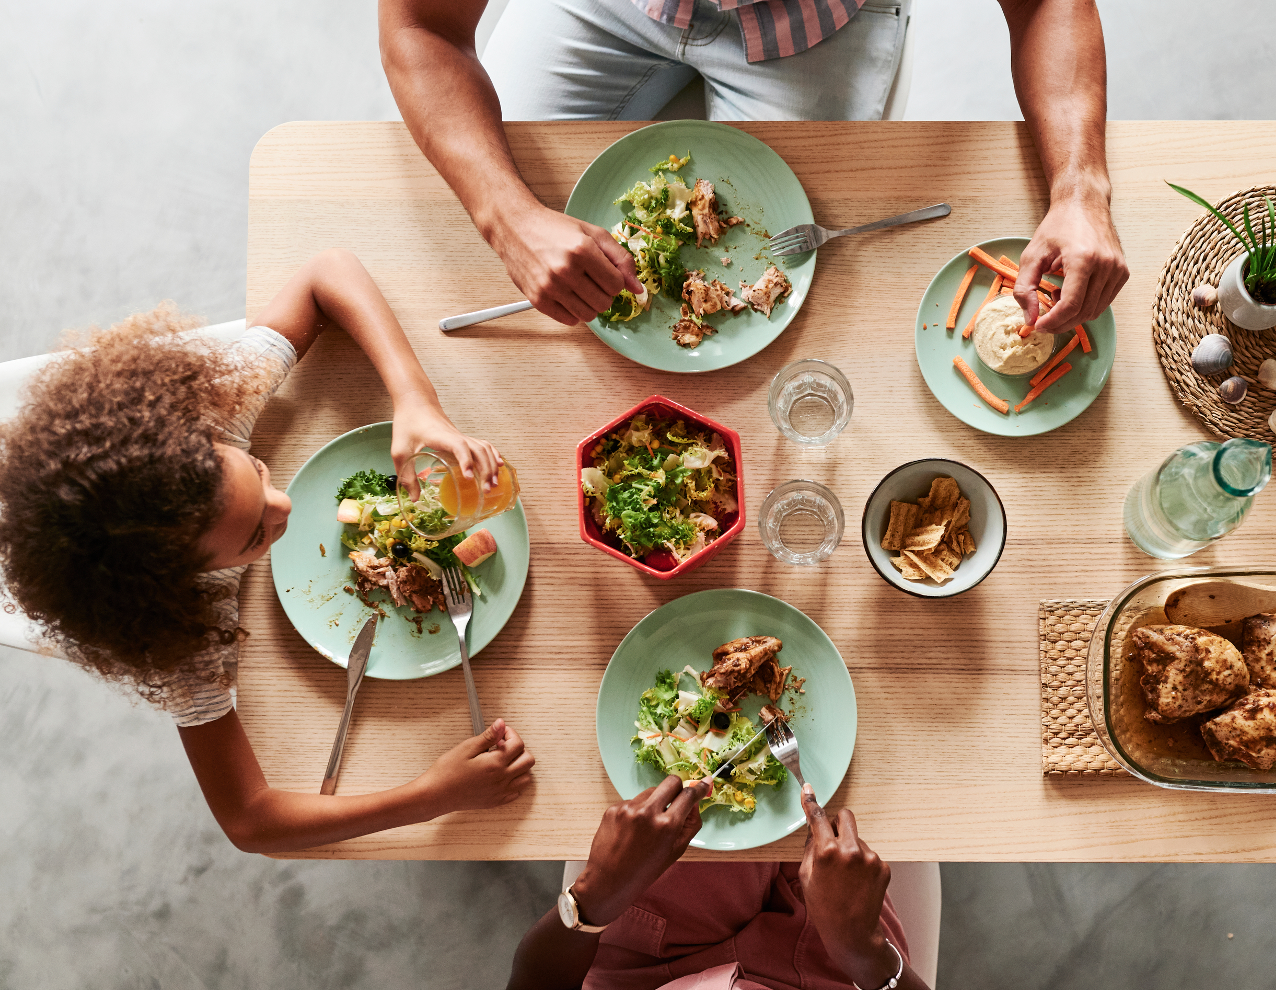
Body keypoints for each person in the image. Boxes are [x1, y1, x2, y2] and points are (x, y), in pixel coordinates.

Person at [0, 249, 535, 853]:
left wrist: (416, 398)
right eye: (255, 534)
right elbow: (251, 822)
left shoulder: (209, 418)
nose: (286, 506)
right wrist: (430, 796)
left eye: (257, 472)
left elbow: (326, 272)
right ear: (181, 579)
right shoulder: (182, 653)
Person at [378, 0, 1128, 338]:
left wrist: (1081, 189)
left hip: (822, 25)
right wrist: (507, 219)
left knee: (792, 310)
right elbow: (420, 24)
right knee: (480, 225)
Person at [507, 778, 931, 990]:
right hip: (839, 969)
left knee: (677, 801)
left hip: (650, 968)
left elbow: (533, 984)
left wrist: (593, 897)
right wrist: (864, 953)